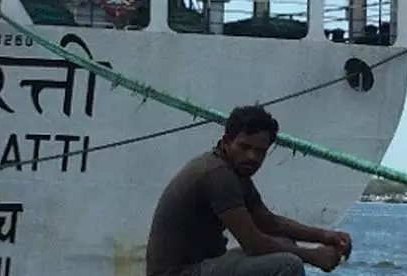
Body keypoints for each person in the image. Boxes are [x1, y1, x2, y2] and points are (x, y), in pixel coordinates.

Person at [145, 105, 352, 276]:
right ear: (227, 142)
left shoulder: (234, 170)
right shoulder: (218, 175)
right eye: (244, 147)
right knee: (288, 265)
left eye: (260, 151)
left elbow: (270, 223)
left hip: (202, 265)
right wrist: (313, 256)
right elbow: (254, 244)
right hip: (180, 272)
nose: (252, 157)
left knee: (284, 242)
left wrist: (325, 236)